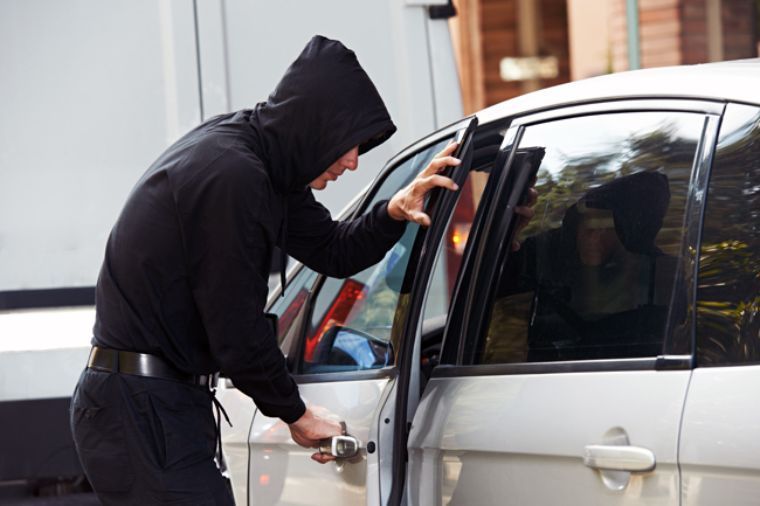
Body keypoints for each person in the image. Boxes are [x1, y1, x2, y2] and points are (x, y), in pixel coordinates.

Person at [69, 36, 462, 505]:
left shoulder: (266, 168)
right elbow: (235, 327)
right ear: (315, 128)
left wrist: (392, 212)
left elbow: (333, 250)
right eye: (347, 145)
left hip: (156, 403)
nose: (353, 163)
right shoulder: (232, 175)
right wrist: (295, 414)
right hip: (141, 406)